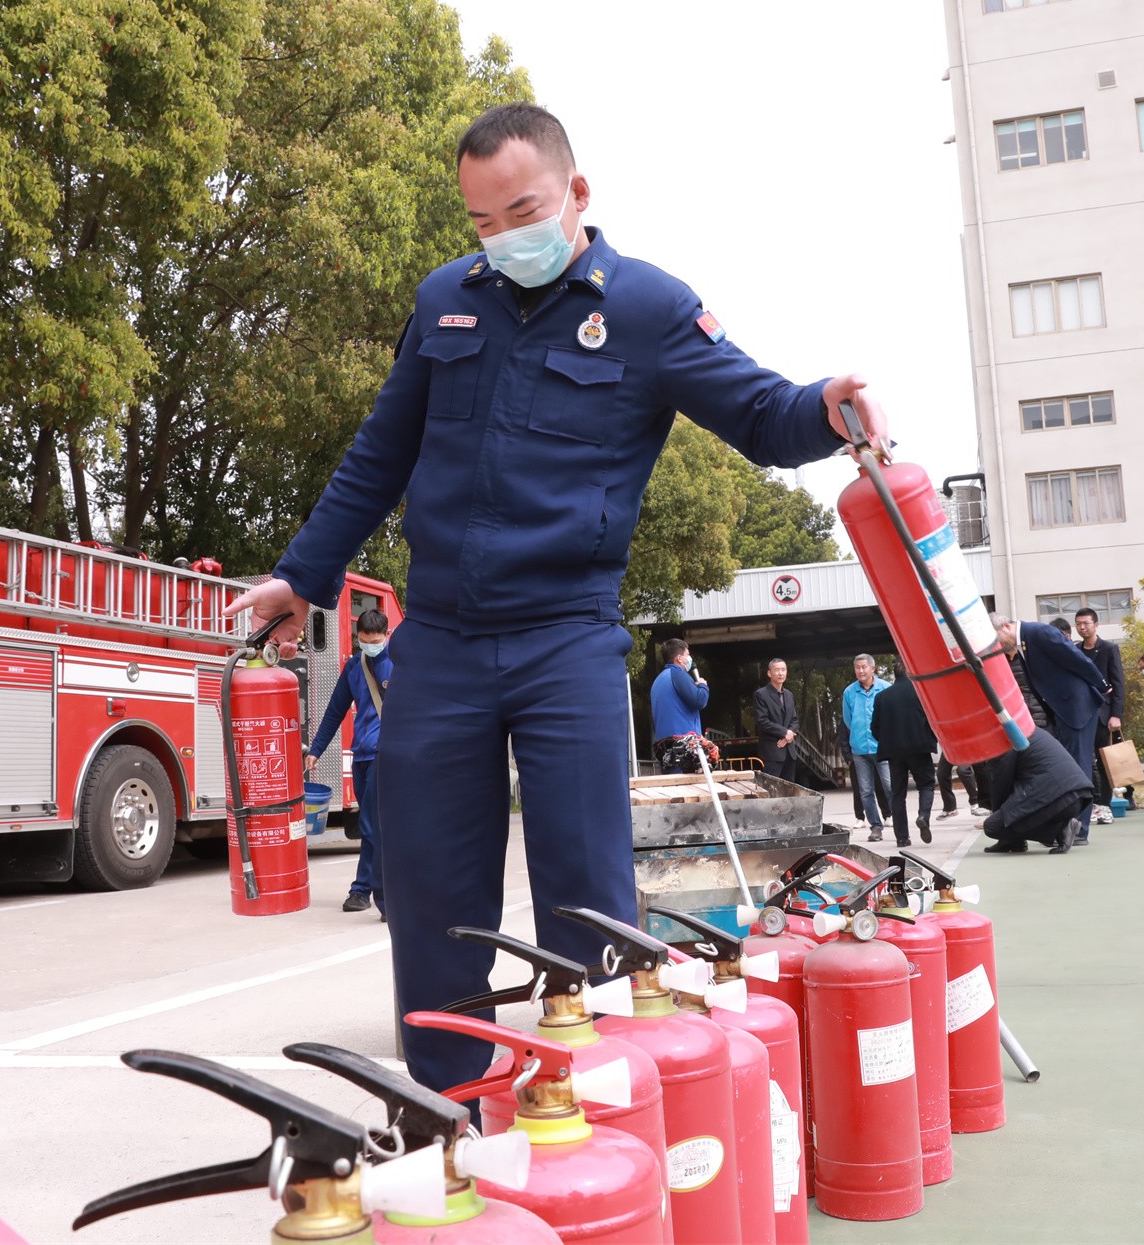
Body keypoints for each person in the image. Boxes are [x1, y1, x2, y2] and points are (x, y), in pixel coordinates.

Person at [222, 102, 891, 1093]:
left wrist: (825, 409)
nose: (502, 237)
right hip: (441, 643)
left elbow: (757, 412)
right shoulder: (445, 299)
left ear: (576, 193)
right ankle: (446, 1118)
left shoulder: (648, 310)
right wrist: (303, 573)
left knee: (586, 893)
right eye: (481, 222)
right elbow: (380, 451)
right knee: (430, 893)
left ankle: (599, 1112)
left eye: (521, 209)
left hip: (565, 641)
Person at [306, 608, 394, 914]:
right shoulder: (354, 667)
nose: (370, 645)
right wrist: (315, 749)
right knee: (373, 825)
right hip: (362, 755)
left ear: (386, 635)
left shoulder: (399, 664)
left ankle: (369, 892)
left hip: (388, 754)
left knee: (372, 825)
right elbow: (335, 710)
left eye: (375, 639)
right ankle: (379, 891)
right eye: (364, 640)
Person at [997, 619, 1111, 843]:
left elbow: (1075, 658)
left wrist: (1101, 683)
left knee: (1079, 765)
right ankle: (1069, 824)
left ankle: (1079, 829)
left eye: (996, 639)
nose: (997, 646)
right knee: (1068, 766)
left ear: (1005, 627)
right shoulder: (1023, 641)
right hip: (1061, 709)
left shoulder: (1039, 632)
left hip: (1076, 706)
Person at [979, 728, 1092, 854]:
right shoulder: (1025, 727)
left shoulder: (1001, 739)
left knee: (992, 826)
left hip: (1058, 797)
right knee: (1008, 815)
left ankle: (1061, 829)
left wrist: (1001, 821)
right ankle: (1014, 841)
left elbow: (1001, 784)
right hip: (1074, 795)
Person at [870, 671, 939, 846]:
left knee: (897, 794)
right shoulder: (922, 692)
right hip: (919, 748)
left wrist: (889, 741)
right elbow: (933, 719)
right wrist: (930, 738)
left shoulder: (882, 697)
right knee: (926, 784)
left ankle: (902, 837)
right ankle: (923, 815)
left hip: (894, 752)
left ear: (895, 674)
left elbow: (875, 727)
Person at [1073, 607, 1125, 814]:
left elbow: (1118, 683)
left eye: (1086, 623)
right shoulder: (1075, 649)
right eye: (1078, 623)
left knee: (1104, 760)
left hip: (1104, 714)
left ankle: (1104, 803)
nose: (1082, 627)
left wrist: (1116, 714)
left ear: (1096, 625)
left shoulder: (1109, 649)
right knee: (1084, 759)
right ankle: (1088, 803)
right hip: (1082, 713)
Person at [843, 654, 890, 842]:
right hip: (860, 750)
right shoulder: (849, 692)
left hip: (882, 748)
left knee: (889, 786)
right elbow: (847, 719)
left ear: (873, 668)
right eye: (857, 667)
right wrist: (856, 735)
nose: (860, 671)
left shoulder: (885, 689)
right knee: (865, 791)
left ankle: (899, 823)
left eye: (864, 667)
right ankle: (876, 827)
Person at [650, 638, 708, 756]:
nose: (690, 659)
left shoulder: (658, 680)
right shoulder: (678, 675)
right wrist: (703, 686)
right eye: (687, 655)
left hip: (664, 746)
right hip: (684, 745)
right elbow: (699, 700)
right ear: (679, 658)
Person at [752, 658, 801, 782]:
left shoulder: (789, 695)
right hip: (772, 752)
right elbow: (762, 721)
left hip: (790, 752)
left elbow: (794, 720)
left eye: (783, 670)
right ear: (769, 673)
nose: (780, 673)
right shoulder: (760, 694)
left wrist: (787, 736)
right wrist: (785, 733)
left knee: (789, 791)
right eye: (777, 670)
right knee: (772, 790)